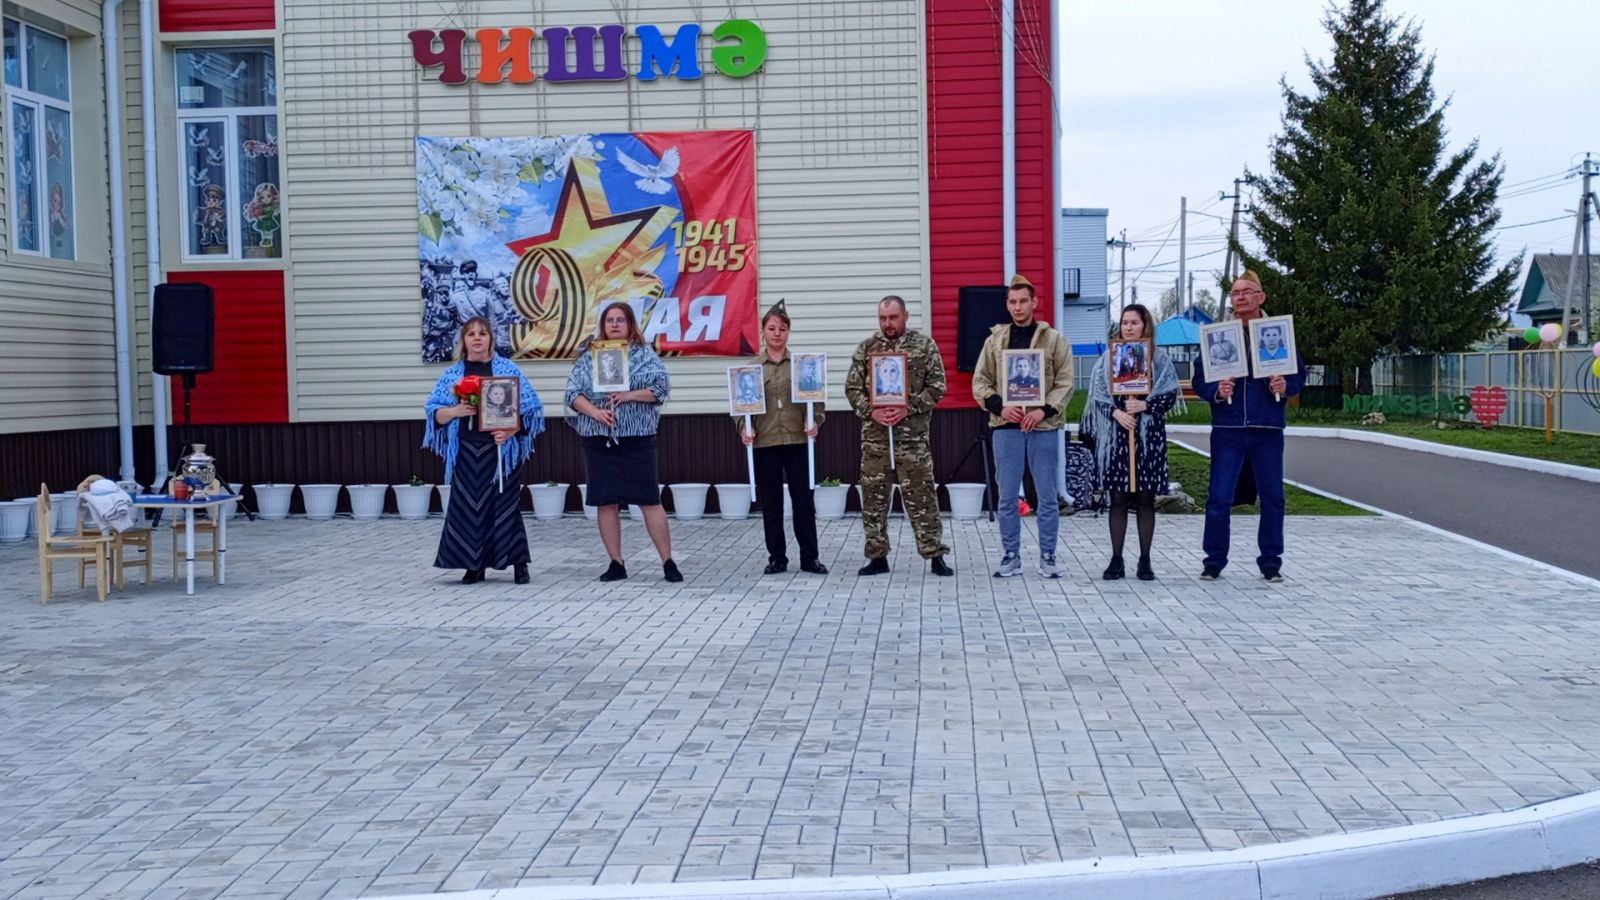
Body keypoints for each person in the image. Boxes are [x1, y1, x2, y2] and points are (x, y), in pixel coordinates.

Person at [1191, 270, 1306, 582]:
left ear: (1261, 297)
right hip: (1228, 428)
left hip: (1267, 428)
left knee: (1273, 497)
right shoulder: (1218, 336)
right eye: (1235, 292)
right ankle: (1214, 561)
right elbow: (1200, 379)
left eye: (1246, 291)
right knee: (1219, 497)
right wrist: (1217, 391)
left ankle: (1271, 562)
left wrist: (1285, 385)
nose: (1240, 297)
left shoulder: (1278, 333)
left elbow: (1298, 375)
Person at [565, 302, 683, 583]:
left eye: (621, 320)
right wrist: (595, 412)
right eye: (610, 320)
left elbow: (661, 388)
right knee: (605, 502)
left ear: (630, 325)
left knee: (649, 500)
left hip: (637, 438)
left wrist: (628, 395)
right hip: (599, 438)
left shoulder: (645, 355)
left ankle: (668, 561)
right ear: (603, 325)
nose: (615, 324)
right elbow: (572, 393)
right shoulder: (589, 356)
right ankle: (616, 563)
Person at [423, 316, 545, 584]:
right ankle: (473, 565)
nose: (477, 338)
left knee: (506, 507)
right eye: (471, 334)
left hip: (501, 451)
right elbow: (434, 412)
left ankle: (518, 563)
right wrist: (454, 411)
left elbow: (531, 409)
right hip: (467, 450)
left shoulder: (507, 369)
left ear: (491, 338)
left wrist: (511, 430)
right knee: (468, 508)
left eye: (482, 333)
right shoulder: (453, 374)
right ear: (463, 341)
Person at [971, 274, 1074, 578]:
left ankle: (1048, 555)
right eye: (1013, 302)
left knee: (1047, 495)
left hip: (1043, 427)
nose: (1018, 307)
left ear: (1034, 303)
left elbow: (1066, 382)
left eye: (1023, 301)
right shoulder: (994, 341)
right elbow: (980, 382)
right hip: (1006, 427)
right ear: (1007, 305)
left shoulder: (1054, 340)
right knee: (1007, 497)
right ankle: (1011, 555)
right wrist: (1000, 406)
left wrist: (1044, 410)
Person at [845, 295, 952, 576]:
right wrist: (872, 411)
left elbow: (937, 386)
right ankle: (877, 556)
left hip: (912, 440)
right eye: (883, 318)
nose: (888, 323)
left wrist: (909, 407)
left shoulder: (924, 346)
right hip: (876, 440)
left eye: (893, 317)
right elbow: (852, 389)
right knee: (873, 500)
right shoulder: (867, 349)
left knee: (923, 498)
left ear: (905, 315)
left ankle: (934, 554)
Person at [1082, 304, 1179, 581]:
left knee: (1145, 498)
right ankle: (1116, 558)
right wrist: (1117, 413)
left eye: (1134, 322)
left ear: (1145, 325)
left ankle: (1145, 559)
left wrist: (1145, 406)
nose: (1128, 327)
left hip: (1147, 438)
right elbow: (1099, 393)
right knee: (1118, 498)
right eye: (1125, 322)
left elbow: (1169, 392)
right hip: (1117, 437)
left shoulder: (1158, 359)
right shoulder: (1108, 359)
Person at [738, 301, 827, 575]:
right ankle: (777, 557)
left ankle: (810, 557)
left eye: (782, 329)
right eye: (772, 328)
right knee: (772, 503)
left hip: (798, 442)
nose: (777, 333)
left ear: (789, 332)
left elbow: (817, 402)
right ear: (763, 331)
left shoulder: (802, 366)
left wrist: (815, 421)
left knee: (803, 502)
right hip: (765, 443)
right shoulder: (752, 369)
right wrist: (743, 428)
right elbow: (740, 407)